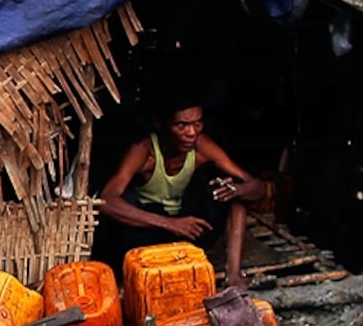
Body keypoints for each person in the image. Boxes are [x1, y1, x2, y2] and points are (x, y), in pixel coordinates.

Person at [95, 103, 255, 285]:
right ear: (160, 124)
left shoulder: (202, 145)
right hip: (146, 236)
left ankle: (233, 275)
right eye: (181, 126)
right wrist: (169, 223)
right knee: (123, 206)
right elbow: (106, 201)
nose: (192, 132)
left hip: (187, 230)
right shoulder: (144, 150)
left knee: (234, 195)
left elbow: (255, 187)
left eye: (197, 124)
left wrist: (238, 189)